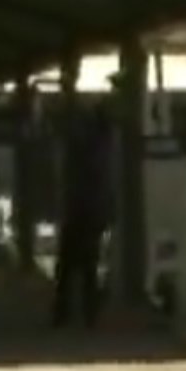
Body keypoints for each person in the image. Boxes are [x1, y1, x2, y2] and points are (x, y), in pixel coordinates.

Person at [52, 104, 110, 328]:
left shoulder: (79, 152)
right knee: (88, 268)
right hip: (90, 214)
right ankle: (88, 314)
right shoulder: (101, 152)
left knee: (68, 268)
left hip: (78, 212)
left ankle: (64, 312)